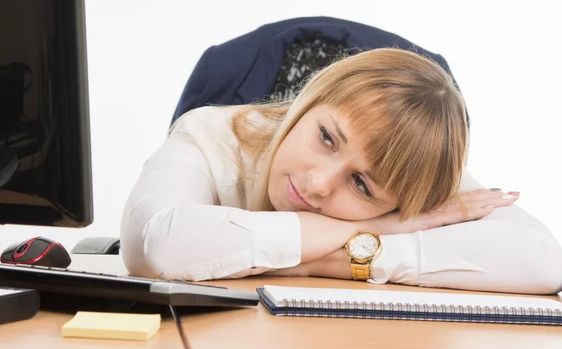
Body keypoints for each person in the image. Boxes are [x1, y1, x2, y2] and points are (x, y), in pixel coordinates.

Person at [120, 48, 562, 294]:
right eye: (327, 137)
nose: (317, 183)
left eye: (362, 185)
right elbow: (152, 244)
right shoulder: (210, 134)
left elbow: (545, 262)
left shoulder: (417, 175)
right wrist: (380, 227)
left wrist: (316, 264)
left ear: (405, 200)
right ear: (310, 99)